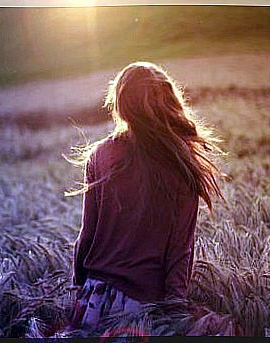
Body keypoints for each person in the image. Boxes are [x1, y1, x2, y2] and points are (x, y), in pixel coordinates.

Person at [65, 61, 225, 332]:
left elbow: (86, 236)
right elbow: (180, 251)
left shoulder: (100, 155)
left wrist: (79, 292)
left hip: (94, 299)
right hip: (144, 308)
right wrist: (174, 314)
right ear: (169, 100)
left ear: (120, 103)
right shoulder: (180, 161)